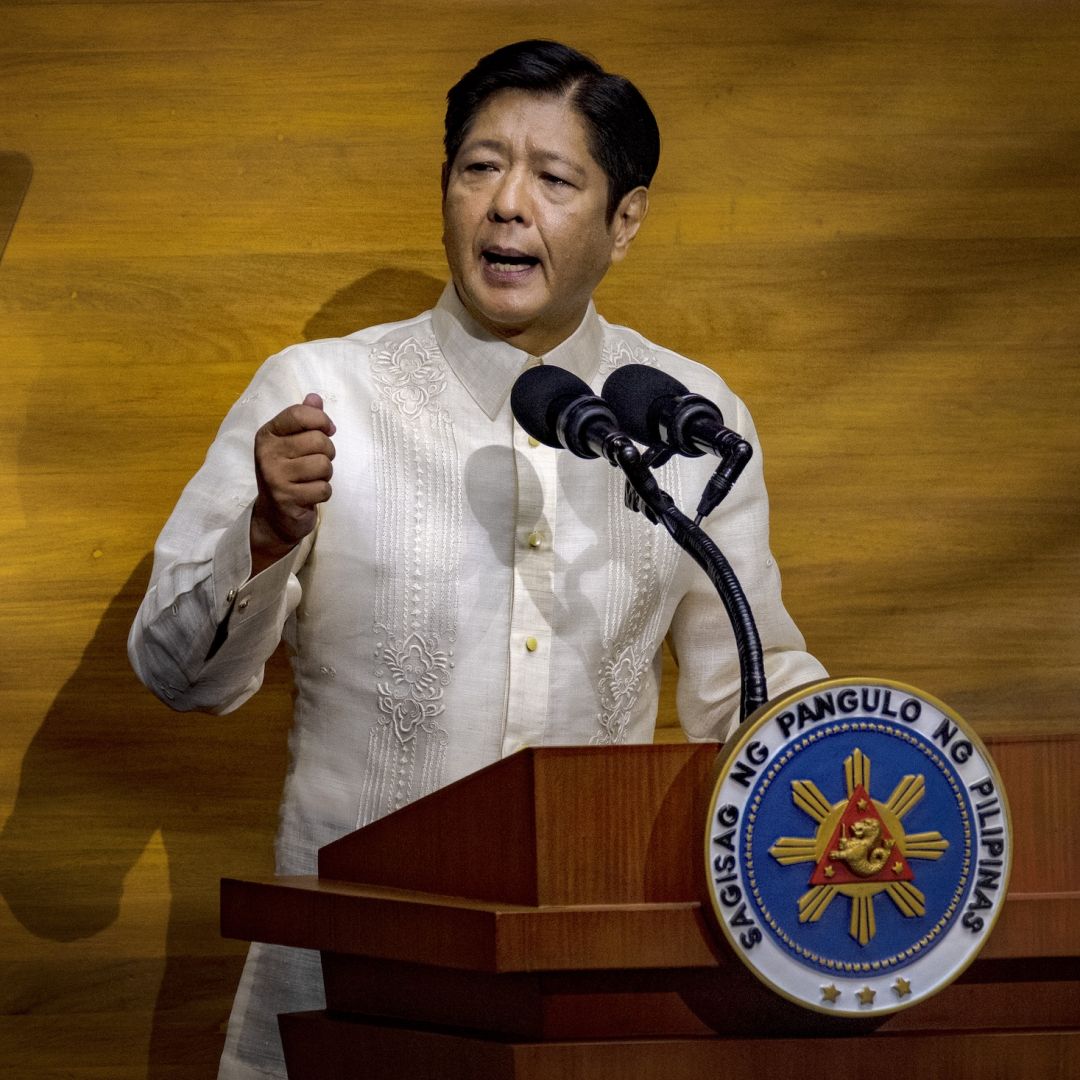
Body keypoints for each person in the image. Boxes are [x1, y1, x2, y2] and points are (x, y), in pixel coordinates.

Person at [129, 39, 826, 1080]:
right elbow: (177, 677)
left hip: (589, 990)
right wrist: (265, 534)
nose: (507, 206)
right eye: (479, 167)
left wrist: (875, 782)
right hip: (348, 983)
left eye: (552, 179)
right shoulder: (323, 395)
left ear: (624, 218)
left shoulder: (688, 418)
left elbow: (749, 698)